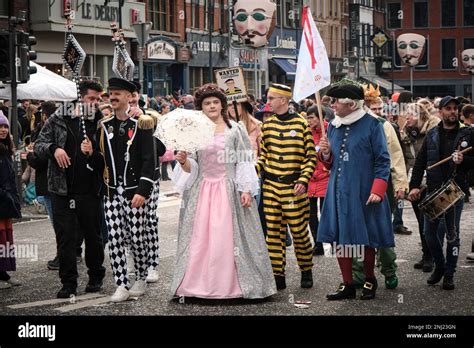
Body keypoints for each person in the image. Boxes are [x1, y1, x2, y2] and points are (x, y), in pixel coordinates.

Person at [171, 83, 276, 299]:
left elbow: (244, 160)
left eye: (215, 102)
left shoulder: (235, 129)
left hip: (229, 188)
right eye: (207, 103)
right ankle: (197, 285)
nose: (211, 106)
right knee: (201, 239)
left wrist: (246, 189)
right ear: (201, 107)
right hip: (202, 190)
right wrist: (183, 162)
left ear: (222, 105)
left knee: (231, 239)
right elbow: (193, 167)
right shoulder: (194, 131)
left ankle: (237, 286)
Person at [317, 83, 394, 300]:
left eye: (335, 101)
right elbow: (329, 164)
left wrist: (378, 189)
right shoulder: (332, 125)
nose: (332, 105)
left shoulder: (373, 125)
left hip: (365, 190)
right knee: (342, 237)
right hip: (339, 190)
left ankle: (370, 279)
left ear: (351, 104)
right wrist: (325, 154)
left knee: (366, 237)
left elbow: (383, 159)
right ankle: (347, 283)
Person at [34, 80, 106, 298]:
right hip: (61, 189)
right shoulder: (58, 118)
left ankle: (95, 276)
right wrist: (54, 149)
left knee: (93, 236)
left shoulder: (100, 121)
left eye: (98, 99)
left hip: (89, 189)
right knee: (65, 238)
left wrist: (92, 152)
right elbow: (38, 145)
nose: (96, 103)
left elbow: (107, 157)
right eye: (92, 99)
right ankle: (68, 282)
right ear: (80, 97)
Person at [97, 77, 156, 302]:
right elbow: (99, 159)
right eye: (111, 93)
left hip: (134, 191)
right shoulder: (104, 126)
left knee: (136, 236)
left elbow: (149, 160)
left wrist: (143, 190)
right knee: (115, 238)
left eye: (118, 93)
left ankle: (140, 277)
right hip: (111, 192)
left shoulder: (142, 124)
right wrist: (88, 153)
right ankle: (121, 283)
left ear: (130, 97)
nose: (112, 97)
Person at [408, 96, 474, 290]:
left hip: (455, 190)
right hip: (434, 188)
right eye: (448, 108)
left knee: (452, 235)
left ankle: (449, 274)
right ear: (441, 112)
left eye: (455, 108)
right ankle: (440, 265)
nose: (452, 111)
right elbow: (420, 161)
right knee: (429, 233)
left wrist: (465, 160)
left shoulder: (468, 134)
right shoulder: (432, 134)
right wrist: (414, 185)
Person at [256, 83, 317, 290]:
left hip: (294, 187)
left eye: (271, 98)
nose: (268, 102)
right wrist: (251, 172)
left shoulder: (301, 124)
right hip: (271, 186)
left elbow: (311, 157)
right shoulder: (267, 125)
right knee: (273, 233)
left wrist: (303, 179)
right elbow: (263, 156)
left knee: (299, 232)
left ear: (283, 100)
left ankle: (306, 269)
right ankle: (277, 274)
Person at [399, 102, 440, 272]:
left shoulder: (432, 133)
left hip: (431, 183)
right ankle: (426, 254)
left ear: (421, 116)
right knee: (420, 221)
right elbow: (406, 161)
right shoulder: (407, 135)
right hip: (414, 183)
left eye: (411, 114)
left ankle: (434, 257)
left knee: (429, 221)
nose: (407, 118)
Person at [0, 112, 21, 289]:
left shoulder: (5, 149)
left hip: (5, 202)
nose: (3, 129)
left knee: (4, 239)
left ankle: (3, 273)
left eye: (5, 126)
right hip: (2, 199)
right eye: (0, 126)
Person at [305, 106, 329, 256]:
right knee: (311, 215)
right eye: (307, 117)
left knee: (326, 212)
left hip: (326, 177)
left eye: (312, 117)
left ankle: (332, 239)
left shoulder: (330, 130)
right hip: (311, 178)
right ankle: (317, 243)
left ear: (320, 117)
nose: (309, 120)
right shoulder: (306, 132)